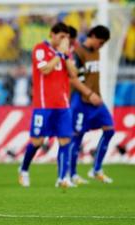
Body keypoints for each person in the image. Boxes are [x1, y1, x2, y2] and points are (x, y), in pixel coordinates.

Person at [18, 22, 101, 188]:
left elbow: (74, 73)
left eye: (67, 38)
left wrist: (66, 56)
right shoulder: (40, 49)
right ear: (52, 34)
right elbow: (46, 69)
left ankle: (62, 178)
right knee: (37, 141)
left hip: (62, 104)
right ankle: (24, 169)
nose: (65, 40)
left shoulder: (66, 52)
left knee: (65, 140)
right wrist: (60, 54)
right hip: (43, 104)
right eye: (62, 37)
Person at [69, 25, 114, 184]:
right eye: (100, 42)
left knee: (110, 130)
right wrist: (89, 93)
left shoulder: (96, 52)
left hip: (96, 100)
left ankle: (96, 169)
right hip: (81, 100)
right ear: (93, 36)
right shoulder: (78, 53)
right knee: (77, 137)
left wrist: (95, 94)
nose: (101, 46)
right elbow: (73, 79)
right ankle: (72, 174)